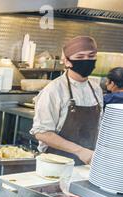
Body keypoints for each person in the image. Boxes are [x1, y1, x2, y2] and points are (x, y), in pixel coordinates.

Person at [30, 36, 103, 165]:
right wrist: (80, 151)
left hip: (87, 163)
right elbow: (42, 133)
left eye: (91, 56)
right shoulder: (54, 90)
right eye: (80, 57)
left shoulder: (95, 89)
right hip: (56, 164)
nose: (87, 61)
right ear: (68, 61)